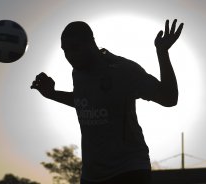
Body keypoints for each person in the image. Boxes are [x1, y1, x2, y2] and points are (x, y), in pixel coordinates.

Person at [31, 19, 183, 184]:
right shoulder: (78, 72)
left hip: (129, 170)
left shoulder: (123, 70)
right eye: (65, 50)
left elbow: (169, 98)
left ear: (91, 43)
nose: (69, 56)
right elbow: (85, 101)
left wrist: (162, 52)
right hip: (92, 175)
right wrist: (51, 94)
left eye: (74, 48)